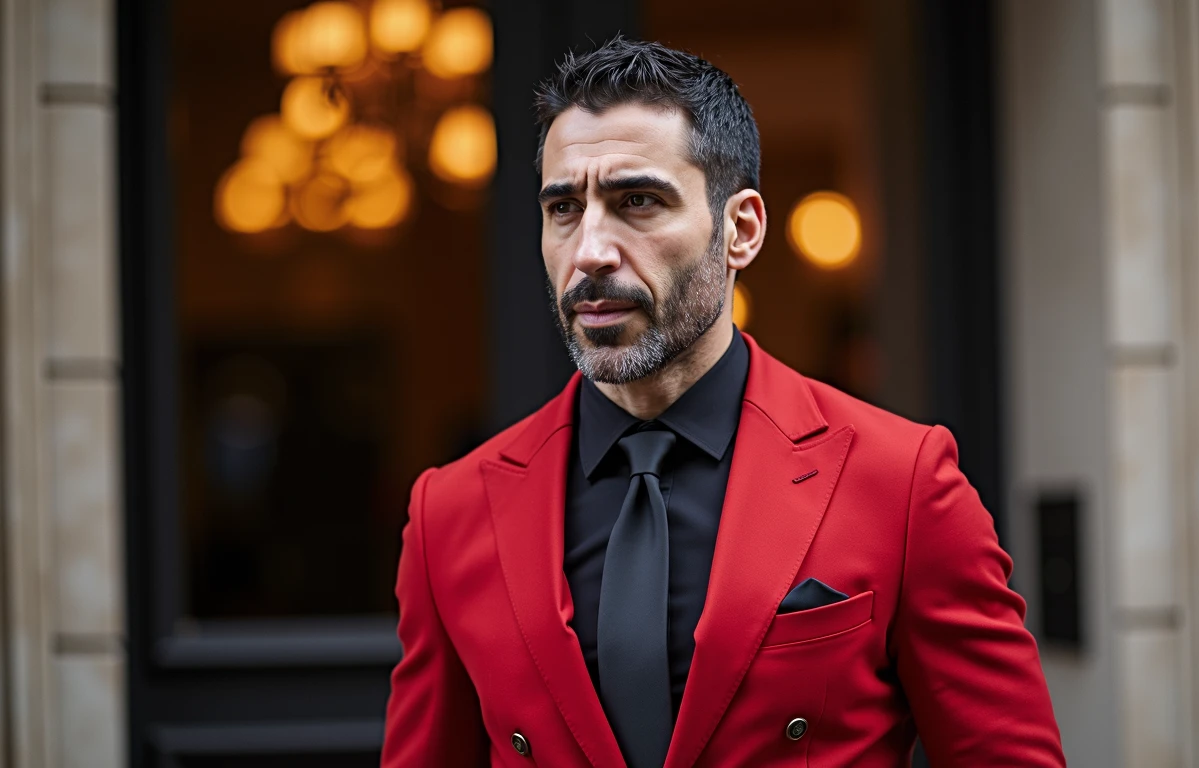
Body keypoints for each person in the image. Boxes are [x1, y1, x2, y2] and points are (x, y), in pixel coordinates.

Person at [382, 37, 1064, 768]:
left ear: (740, 230)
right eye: (563, 209)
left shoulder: (902, 482)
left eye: (636, 202)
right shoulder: (450, 514)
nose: (590, 251)